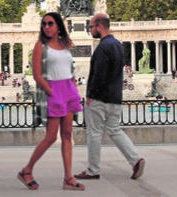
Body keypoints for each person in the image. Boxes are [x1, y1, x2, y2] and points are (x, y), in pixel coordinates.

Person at [18, 12, 85, 191]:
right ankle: (27, 170)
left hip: (69, 90)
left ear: (58, 26)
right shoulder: (41, 46)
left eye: (50, 23)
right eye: (44, 24)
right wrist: (50, 91)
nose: (46, 27)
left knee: (67, 135)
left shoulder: (65, 44)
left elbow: (70, 69)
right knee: (50, 136)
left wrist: (74, 87)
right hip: (53, 90)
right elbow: (36, 74)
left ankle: (68, 177)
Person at [75, 13, 145, 180]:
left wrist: (91, 95)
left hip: (99, 98)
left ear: (99, 26)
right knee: (115, 130)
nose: (89, 30)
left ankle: (93, 170)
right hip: (115, 96)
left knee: (94, 133)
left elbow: (98, 74)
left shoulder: (102, 48)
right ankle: (135, 159)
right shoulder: (118, 45)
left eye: (91, 27)